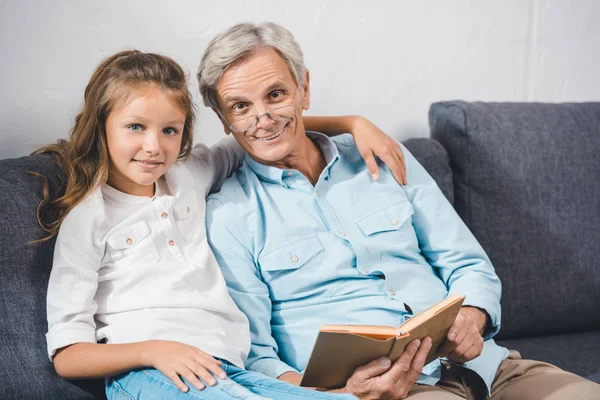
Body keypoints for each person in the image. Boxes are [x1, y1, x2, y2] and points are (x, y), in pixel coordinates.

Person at [202, 22, 600, 400]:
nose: (263, 119)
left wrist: (473, 317)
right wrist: (341, 395)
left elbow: (467, 264)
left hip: (489, 368)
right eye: (240, 106)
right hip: (383, 393)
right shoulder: (229, 216)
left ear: (304, 89)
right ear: (224, 120)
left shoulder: (380, 157)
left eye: (275, 95)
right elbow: (255, 357)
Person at [38, 49, 407, 399]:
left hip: (227, 368)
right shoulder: (89, 217)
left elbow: (261, 131)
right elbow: (68, 355)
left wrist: (351, 123)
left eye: (170, 130)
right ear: (101, 127)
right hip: (147, 374)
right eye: (135, 127)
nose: (153, 146)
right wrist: (154, 352)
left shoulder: (188, 176)